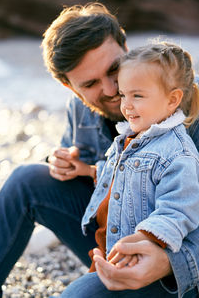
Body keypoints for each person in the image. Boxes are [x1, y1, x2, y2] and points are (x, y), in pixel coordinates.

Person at [0, 2, 198, 297]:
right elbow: (101, 174)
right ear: (69, 87)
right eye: (90, 83)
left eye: (114, 69)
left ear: (126, 45)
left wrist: (170, 262)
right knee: (26, 180)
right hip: (115, 245)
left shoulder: (185, 104)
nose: (111, 91)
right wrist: (64, 163)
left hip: (179, 265)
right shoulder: (81, 110)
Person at [56, 42, 199, 297]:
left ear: (173, 99)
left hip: (143, 261)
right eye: (124, 95)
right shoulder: (135, 136)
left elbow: (180, 208)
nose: (126, 105)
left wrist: (147, 237)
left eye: (138, 96)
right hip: (111, 247)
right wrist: (87, 170)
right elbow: (125, 175)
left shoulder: (178, 153)